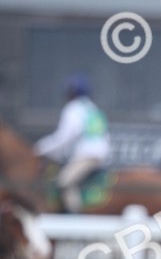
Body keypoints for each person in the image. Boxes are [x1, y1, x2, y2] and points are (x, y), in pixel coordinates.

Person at [35, 75, 111, 212]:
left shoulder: (73, 109)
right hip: (99, 156)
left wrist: (40, 148)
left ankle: (75, 220)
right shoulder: (93, 108)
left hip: (87, 157)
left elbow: (64, 137)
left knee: (64, 182)